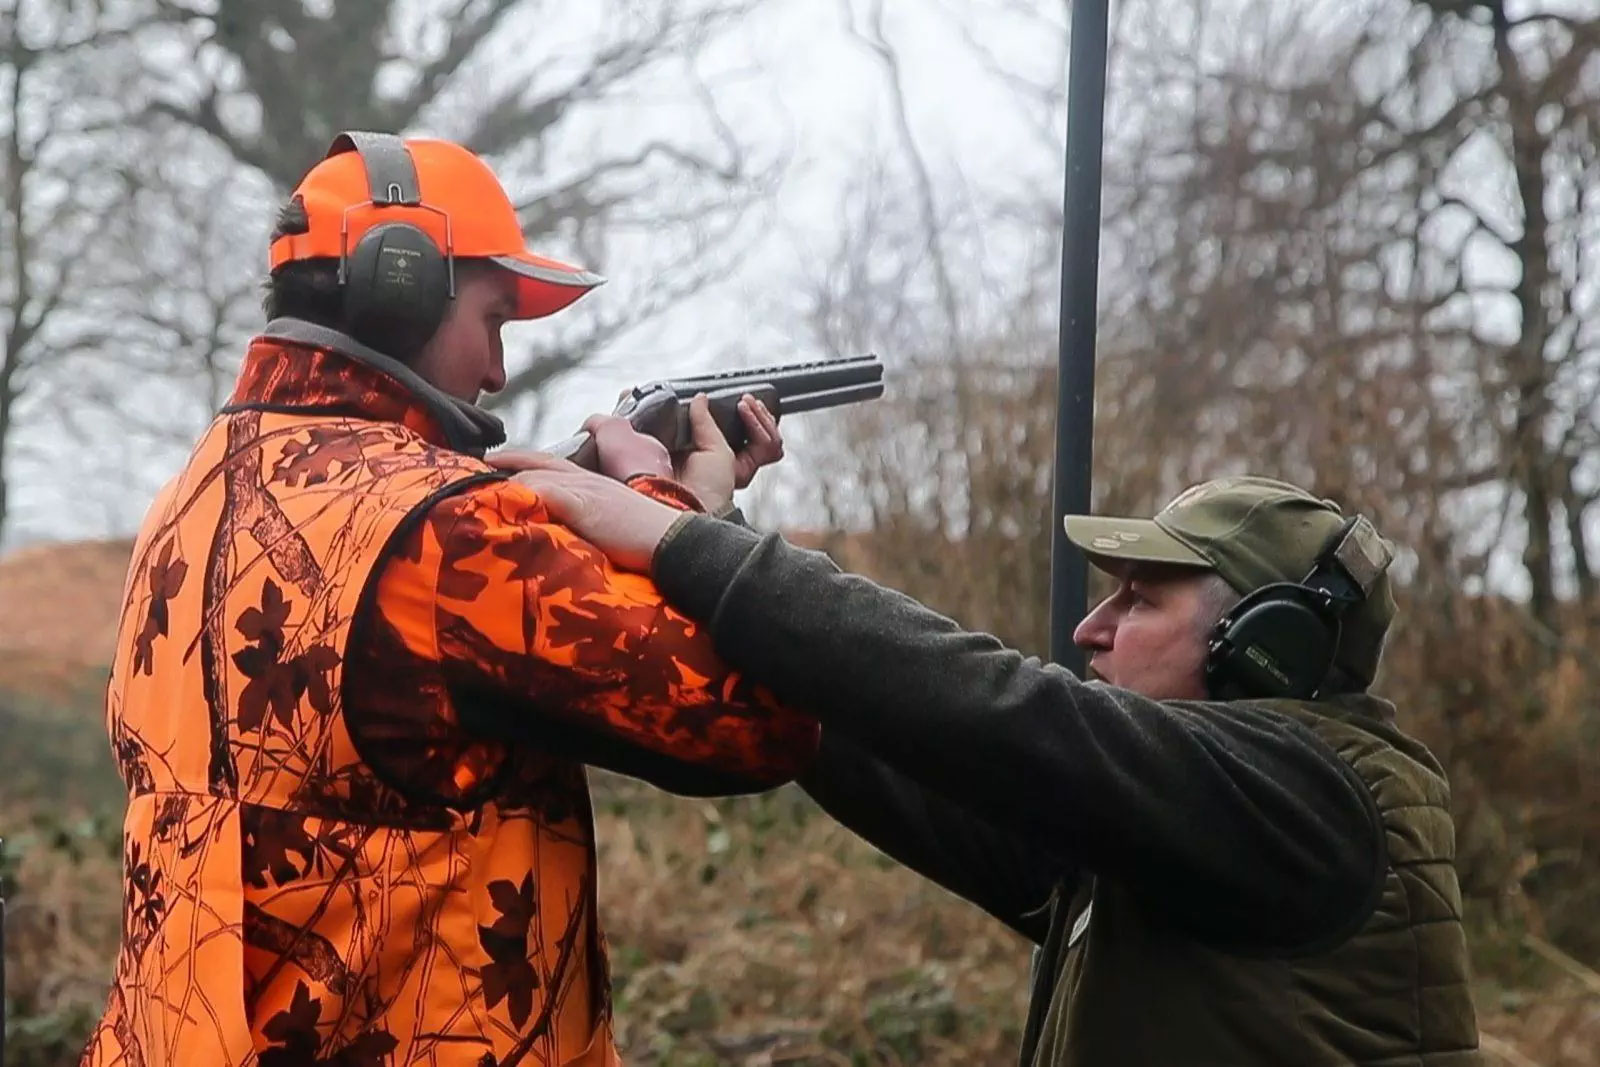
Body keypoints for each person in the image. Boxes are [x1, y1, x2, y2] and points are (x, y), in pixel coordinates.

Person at [83, 131, 818, 1067]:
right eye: (495, 319)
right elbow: (753, 721)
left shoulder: (194, 489)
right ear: (406, 287)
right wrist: (670, 512)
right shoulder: (448, 529)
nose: (500, 372)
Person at [507, 421, 1484, 1067]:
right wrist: (707, 525)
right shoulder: (1165, 842)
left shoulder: (1305, 800)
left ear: (1265, 648)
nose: (1090, 629)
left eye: (1140, 597)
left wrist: (678, 541)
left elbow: (996, 712)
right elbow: (899, 737)